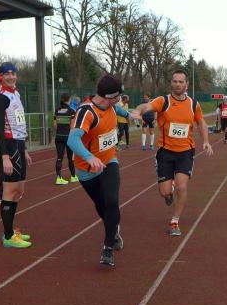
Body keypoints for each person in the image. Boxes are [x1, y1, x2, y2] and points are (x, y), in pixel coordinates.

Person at [130, 68, 214, 236]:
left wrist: (206, 141)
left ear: (186, 84)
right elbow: (146, 106)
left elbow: (201, 123)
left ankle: (175, 221)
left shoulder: (193, 104)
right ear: (171, 83)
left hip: (185, 152)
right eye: (175, 81)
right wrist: (138, 111)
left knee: (182, 187)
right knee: (165, 192)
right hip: (165, 152)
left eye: (181, 82)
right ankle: (169, 193)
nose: (177, 84)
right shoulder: (163, 101)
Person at [66, 74, 125, 266]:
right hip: (86, 169)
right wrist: (90, 157)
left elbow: (118, 110)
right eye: (118, 96)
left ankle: (108, 246)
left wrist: (129, 115)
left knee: (112, 201)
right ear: (111, 96)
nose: (120, 99)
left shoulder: (111, 105)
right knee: (102, 206)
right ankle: (113, 228)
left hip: (109, 161)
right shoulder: (86, 111)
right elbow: (72, 139)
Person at [0, 62, 33, 248]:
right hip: (9, 146)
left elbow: (19, 124)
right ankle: (8, 236)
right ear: (1, 77)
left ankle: (10, 229)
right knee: (10, 191)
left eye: (13, 73)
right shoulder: (0, 98)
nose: (11, 77)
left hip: (18, 145)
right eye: (7, 74)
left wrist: (24, 149)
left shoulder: (16, 94)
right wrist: (4, 156)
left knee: (20, 190)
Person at [53, 93, 77, 184]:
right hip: (68, 137)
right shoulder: (71, 111)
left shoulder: (57, 110)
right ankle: (73, 177)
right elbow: (72, 126)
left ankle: (59, 178)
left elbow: (55, 125)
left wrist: (60, 129)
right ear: (69, 100)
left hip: (58, 136)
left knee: (59, 157)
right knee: (70, 158)